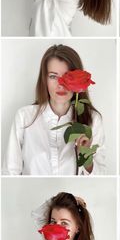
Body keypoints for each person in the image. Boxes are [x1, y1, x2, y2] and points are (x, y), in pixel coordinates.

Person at [2, 44, 106, 175]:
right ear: (44, 79)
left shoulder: (93, 120)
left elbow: (100, 175)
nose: (61, 84)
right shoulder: (24, 117)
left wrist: (86, 158)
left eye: (68, 76)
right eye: (53, 76)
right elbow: (10, 173)